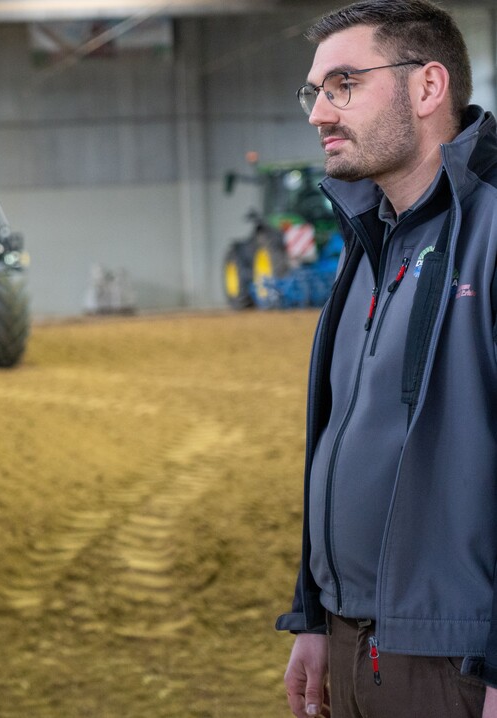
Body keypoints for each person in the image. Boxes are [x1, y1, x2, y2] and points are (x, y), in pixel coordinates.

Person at [277, 1, 497, 717]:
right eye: (314, 91)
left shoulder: (492, 230)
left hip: (455, 660)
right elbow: (341, 437)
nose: (319, 113)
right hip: (354, 645)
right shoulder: (369, 238)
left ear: (427, 86)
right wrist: (315, 616)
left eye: (343, 84)